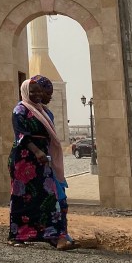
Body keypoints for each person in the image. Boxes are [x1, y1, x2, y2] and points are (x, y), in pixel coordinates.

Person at [8, 77, 71, 249]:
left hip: (43, 161)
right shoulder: (20, 110)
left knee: (48, 197)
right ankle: (17, 235)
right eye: (33, 91)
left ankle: (52, 235)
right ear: (26, 92)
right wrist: (37, 151)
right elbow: (22, 135)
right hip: (25, 160)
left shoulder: (42, 111)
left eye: (39, 91)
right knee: (23, 197)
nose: (37, 94)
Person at [34, 76, 75, 247]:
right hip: (36, 163)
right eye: (47, 93)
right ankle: (55, 235)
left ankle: (61, 234)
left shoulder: (46, 112)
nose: (50, 97)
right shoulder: (25, 111)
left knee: (61, 200)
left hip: (51, 161)